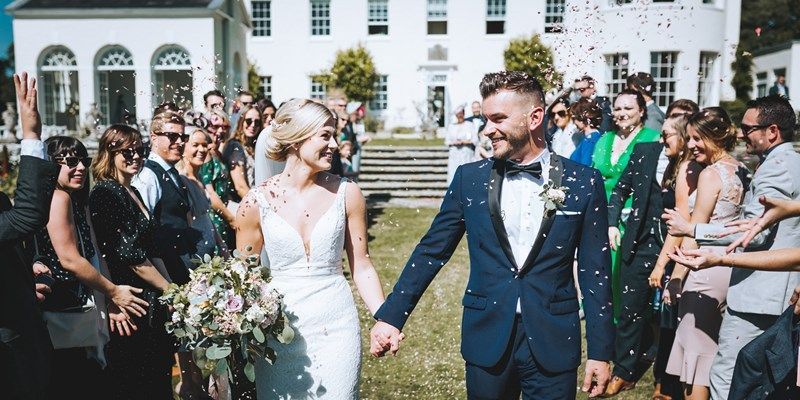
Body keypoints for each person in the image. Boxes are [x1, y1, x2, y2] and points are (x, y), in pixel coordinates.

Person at [371, 71, 614, 399]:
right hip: (486, 335)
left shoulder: (583, 182)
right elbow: (432, 250)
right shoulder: (468, 179)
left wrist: (600, 349)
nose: (487, 129)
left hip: (554, 337)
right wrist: (391, 317)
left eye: (498, 118)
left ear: (535, 117)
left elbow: (594, 271)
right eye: (486, 119)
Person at [235, 98, 387, 399]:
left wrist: (384, 318)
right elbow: (244, 277)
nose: (334, 144)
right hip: (278, 329)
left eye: (334, 135)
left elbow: (362, 265)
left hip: (337, 325)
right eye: (325, 135)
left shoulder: (348, 193)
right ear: (296, 139)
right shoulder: (256, 202)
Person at [662, 95, 800, 400]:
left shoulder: (777, 169)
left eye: (748, 128)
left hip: (760, 294)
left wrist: (692, 229)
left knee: (728, 377)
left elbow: (755, 233)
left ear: (772, 131)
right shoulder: (791, 161)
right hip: (778, 291)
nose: (741, 134)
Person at [36, 136, 148, 399]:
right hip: (63, 311)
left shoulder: (77, 199)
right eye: (71, 162)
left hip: (82, 312)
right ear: (51, 165)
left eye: (83, 161)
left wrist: (109, 299)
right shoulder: (58, 197)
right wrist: (113, 292)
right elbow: (70, 259)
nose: (81, 168)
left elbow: (95, 254)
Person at [661, 108, 748, 400]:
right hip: (733, 269)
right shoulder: (742, 170)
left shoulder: (711, 174)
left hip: (704, 271)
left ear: (718, 136)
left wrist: (675, 278)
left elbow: (693, 233)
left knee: (696, 361)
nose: (691, 145)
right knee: (716, 357)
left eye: (698, 138)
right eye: (689, 138)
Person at [89, 124, 175, 400]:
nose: (136, 156)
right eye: (127, 151)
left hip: (150, 297)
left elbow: (151, 249)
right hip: (129, 300)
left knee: (157, 373)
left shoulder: (133, 192)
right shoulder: (105, 193)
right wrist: (171, 290)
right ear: (109, 153)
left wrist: (173, 291)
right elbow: (132, 256)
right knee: (135, 379)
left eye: (140, 150)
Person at [602, 115, 675, 395]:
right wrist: (611, 224)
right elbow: (621, 189)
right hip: (640, 241)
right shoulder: (646, 152)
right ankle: (624, 371)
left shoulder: (695, 161)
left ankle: (664, 380)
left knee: (668, 316)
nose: (664, 137)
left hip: (678, 244)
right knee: (631, 309)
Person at [0, 72, 59, 400]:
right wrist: (31, 134)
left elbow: (19, 234)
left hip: (28, 335)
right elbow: (26, 215)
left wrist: (32, 265)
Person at [592, 88, 660, 322]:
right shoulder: (604, 139)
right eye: (618, 108)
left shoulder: (651, 138)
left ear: (641, 111)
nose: (621, 113)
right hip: (600, 216)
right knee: (600, 277)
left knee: (624, 280)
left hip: (632, 220)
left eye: (628, 108)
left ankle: (625, 333)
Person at [647, 111, 701, 400]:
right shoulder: (675, 167)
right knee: (667, 322)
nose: (661, 138)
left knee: (679, 324)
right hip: (676, 253)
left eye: (667, 133)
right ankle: (666, 383)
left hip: (686, 255)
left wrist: (662, 265)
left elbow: (681, 224)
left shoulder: (689, 170)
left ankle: (674, 387)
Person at [179, 122, 227, 258]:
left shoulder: (199, 178)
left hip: (210, 254)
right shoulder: (181, 180)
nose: (201, 150)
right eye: (195, 145)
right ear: (184, 147)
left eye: (204, 145)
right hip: (194, 257)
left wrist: (222, 246)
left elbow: (206, 218)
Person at [200, 110, 237, 249]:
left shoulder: (217, 153)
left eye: (225, 127)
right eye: (215, 126)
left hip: (223, 217)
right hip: (214, 220)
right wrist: (233, 221)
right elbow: (210, 194)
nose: (220, 131)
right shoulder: (206, 155)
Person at [223, 105, 262, 202]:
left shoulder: (252, 146)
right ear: (241, 121)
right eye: (248, 121)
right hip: (244, 204)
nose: (253, 125)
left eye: (257, 122)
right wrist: (259, 206)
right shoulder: (235, 146)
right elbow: (240, 187)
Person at [444, 104, 479, 184]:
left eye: (461, 114)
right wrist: (454, 142)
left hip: (466, 153)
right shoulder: (451, 126)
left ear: (463, 114)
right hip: (455, 154)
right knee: (454, 172)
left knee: (466, 172)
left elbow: (475, 140)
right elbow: (447, 141)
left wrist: (464, 142)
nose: (459, 116)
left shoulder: (469, 125)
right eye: (458, 115)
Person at [568, 98, 603, 166]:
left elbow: (585, 167)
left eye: (574, 118)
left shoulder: (590, 140)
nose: (573, 122)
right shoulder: (597, 136)